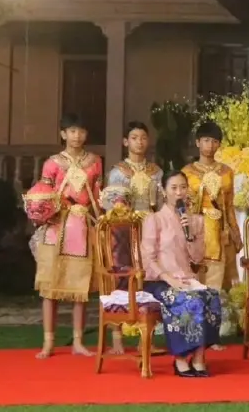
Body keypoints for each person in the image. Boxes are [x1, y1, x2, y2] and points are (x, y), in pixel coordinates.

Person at [28, 113, 103, 359]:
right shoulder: (52, 163)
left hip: (81, 228)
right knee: (50, 288)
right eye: (71, 131)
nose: (77, 135)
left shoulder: (94, 162)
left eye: (81, 131)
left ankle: (79, 342)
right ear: (63, 134)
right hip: (55, 228)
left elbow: (97, 196)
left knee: (80, 288)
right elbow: (42, 193)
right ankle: (48, 342)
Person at [140, 171, 222, 377]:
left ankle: (199, 356)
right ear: (164, 191)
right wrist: (168, 278)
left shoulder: (195, 221)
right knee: (186, 299)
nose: (179, 192)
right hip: (159, 280)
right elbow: (147, 258)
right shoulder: (154, 219)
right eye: (174, 188)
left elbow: (197, 258)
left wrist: (190, 235)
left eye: (183, 187)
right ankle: (180, 359)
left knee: (211, 296)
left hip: (187, 278)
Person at [101, 120, 166, 355]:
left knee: (150, 280)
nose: (140, 142)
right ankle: (117, 338)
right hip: (124, 231)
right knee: (121, 279)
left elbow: (160, 204)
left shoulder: (156, 172)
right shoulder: (118, 172)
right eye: (135, 137)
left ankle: (146, 338)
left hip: (150, 230)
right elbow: (112, 205)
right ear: (126, 142)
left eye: (143, 137)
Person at [182, 122, 242, 292]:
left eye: (214, 141)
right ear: (197, 142)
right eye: (206, 140)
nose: (210, 145)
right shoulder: (187, 172)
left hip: (221, 229)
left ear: (219, 145)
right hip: (198, 227)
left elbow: (229, 205)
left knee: (225, 276)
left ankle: (222, 310)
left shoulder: (226, 172)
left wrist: (235, 233)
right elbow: (184, 204)